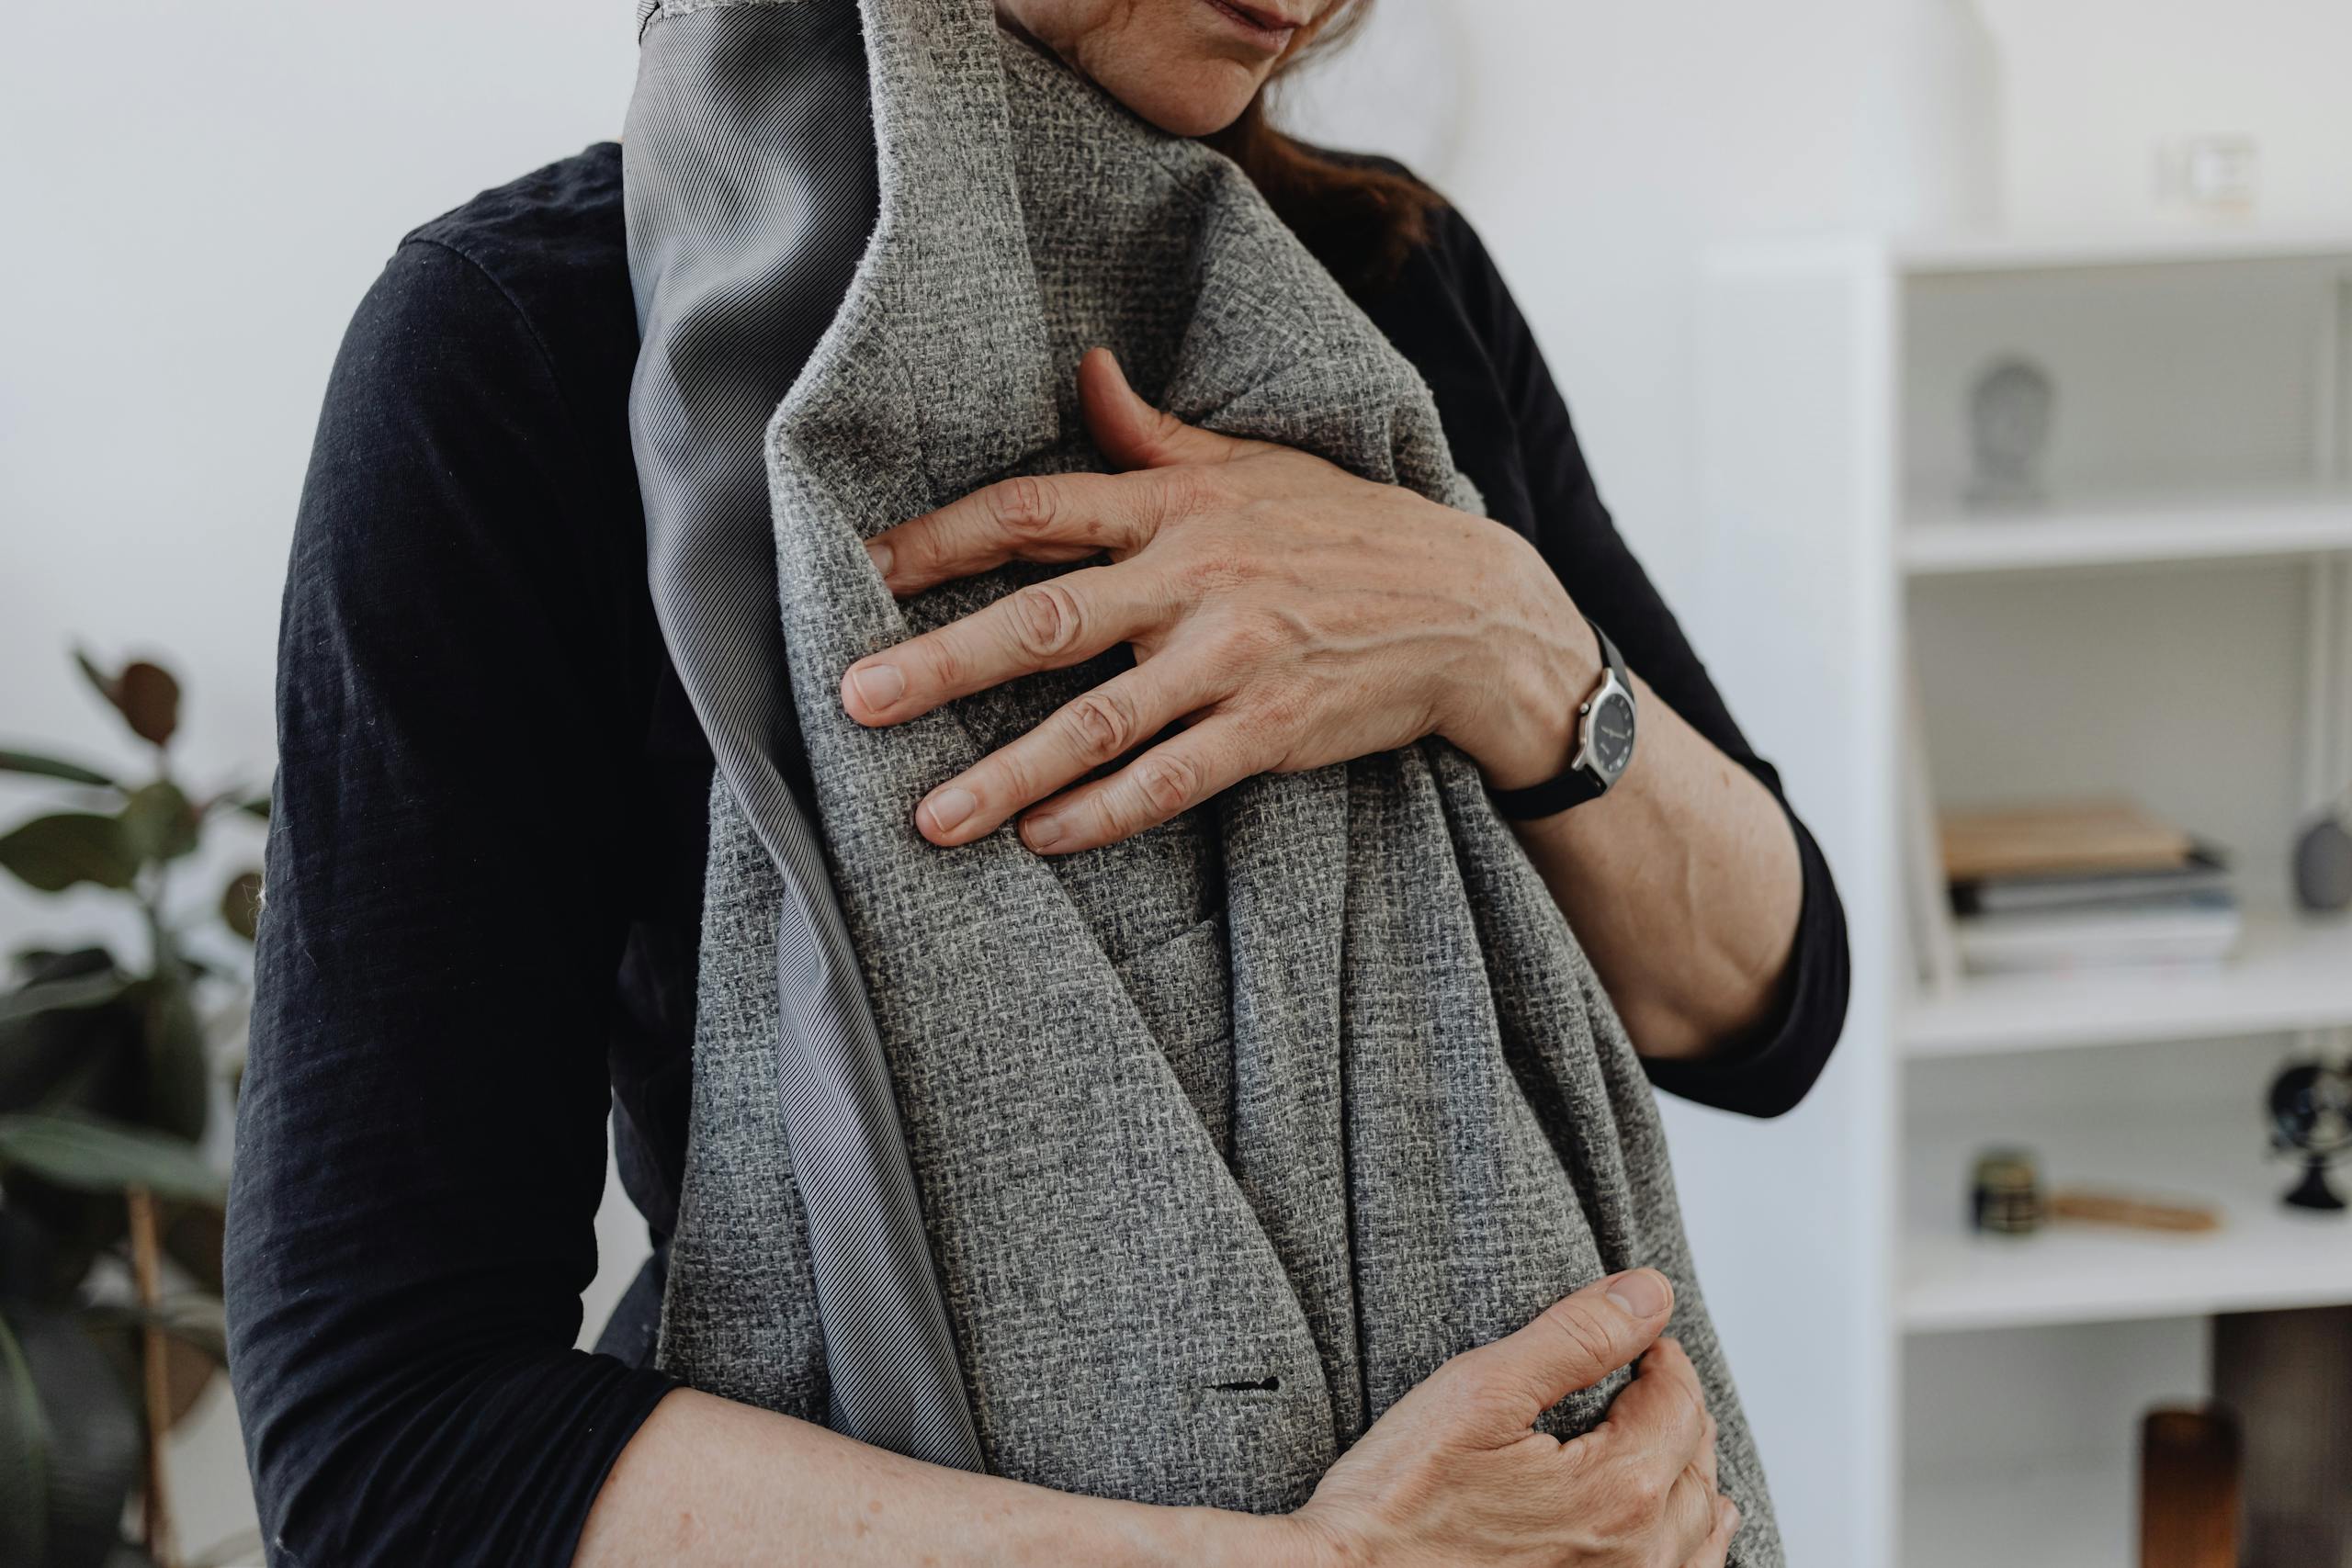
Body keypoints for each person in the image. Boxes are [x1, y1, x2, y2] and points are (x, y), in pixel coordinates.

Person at [224, 1, 1849, 1563]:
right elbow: (387, 1439)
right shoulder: (534, 348)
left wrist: (1501, 637)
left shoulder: (1381, 283)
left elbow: (1769, 1000)